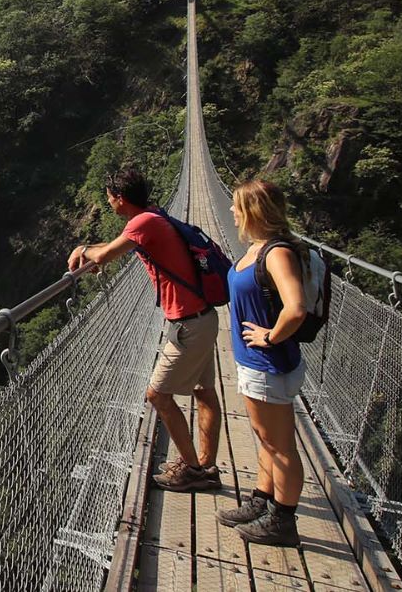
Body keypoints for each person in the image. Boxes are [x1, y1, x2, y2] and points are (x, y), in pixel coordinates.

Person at [69, 167, 223, 491]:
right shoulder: (152, 216)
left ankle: (193, 470)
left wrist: (83, 251)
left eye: (109, 198)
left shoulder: (143, 223)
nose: (109, 202)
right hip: (201, 318)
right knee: (204, 391)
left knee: (157, 395)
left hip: (188, 326)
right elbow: (117, 244)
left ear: (120, 199)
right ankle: (206, 465)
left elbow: (106, 254)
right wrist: (91, 249)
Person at [218, 179, 308, 546]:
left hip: (267, 363)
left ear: (254, 211)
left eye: (237, 205)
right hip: (256, 362)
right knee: (267, 438)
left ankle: (282, 522)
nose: (231, 210)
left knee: (280, 445)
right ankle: (263, 499)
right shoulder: (259, 248)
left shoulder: (276, 253)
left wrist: (269, 336)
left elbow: (296, 307)